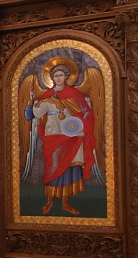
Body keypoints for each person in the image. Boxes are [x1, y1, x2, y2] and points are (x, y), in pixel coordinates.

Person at [24, 62, 97, 215]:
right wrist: (30, 100)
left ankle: (65, 203)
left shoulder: (74, 94)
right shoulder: (47, 97)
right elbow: (31, 115)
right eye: (55, 76)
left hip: (72, 136)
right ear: (52, 78)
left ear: (66, 77)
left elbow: (87, 112)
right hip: (53, 137)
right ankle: (49, 201)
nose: (58, 78)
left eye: (61, 75)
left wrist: (82, 125)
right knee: (53, 168)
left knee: (69, 168)